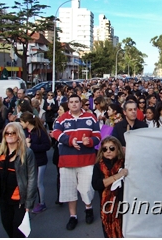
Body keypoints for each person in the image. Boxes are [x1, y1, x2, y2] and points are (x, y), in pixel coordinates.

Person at [51, 95, 101, 231]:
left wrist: (89, 142)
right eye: (71, 102)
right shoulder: (61, 119)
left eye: (76, 102)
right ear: (68, 104)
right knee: (69, 191)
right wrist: (69, 140)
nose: (74, 104)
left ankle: (88, 208)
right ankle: (73, 216)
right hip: (67, 161)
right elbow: (55, 133)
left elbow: (97, 136)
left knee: (86, 189)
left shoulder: (91, 118)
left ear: (81, 103)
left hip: (86, 160)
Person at [0, 122, 38, 238]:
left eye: (13, 133)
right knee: (7, 225)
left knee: (18, 231)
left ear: (19, 135)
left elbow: (32, 178)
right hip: (3, 196)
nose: (10, 135)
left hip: (19, 199)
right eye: (7, 133)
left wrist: (29, 202)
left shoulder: (27, 153)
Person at [91, 136, 128, 238]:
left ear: (118, 149)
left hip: (124, 205)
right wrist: (117, 176)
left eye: (112, 148)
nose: (108, 151)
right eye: (105, 149)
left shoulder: (126, 163)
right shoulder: (98, 166)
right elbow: (96, 185)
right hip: (107, 207)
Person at [19, 112, 51, 213]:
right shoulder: (24, 132)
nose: (20, 124)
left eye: (21, 122)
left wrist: (31, 146)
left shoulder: (39, 132)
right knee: (30, 182)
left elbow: (47, 146)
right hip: (29, 161)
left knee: (38, 183)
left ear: (27, 122)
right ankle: (30, 202)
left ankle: (42, 203)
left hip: (40, 161)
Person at [51, 102, 69, 205]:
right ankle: (60, 196)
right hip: (58, 150)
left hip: (68, 151)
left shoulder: (69, 122)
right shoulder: (57, 121)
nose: (58, 111)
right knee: (59, 175)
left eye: (60, 110)